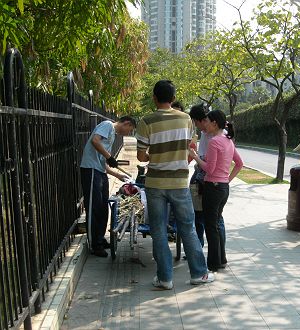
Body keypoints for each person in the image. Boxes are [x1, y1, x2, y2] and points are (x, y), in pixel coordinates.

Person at [136, 80, 214, 289]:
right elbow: (190, 147)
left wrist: (157, 153)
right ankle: (198, 273)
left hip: (155, 183)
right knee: (187, 227)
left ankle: (165, 278)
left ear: (154, 97)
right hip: (179, 182)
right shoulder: (186, 119)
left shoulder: (146, 121)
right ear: (172, 98)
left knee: (159, 229)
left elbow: (141, 157)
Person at [189, 110, 243, 271]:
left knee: (211, 227)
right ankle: (221, 260)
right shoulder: (228, 140)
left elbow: (209, 169)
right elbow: (239, 164)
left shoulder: (215, 142)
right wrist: (227, 180)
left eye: (207, 121)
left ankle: (213, 263)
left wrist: (195, 156)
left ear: (214, 123)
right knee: (216, 224)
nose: (205, 124)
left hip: (212, 188)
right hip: (223, 188)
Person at [80, 116, 136, 257]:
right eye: (130, 130)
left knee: (103, 207)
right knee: (94, 208)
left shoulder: (111, 135)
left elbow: (103, 161)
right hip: (91, 170)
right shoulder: (107, 126)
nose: (128, 134)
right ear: (126, 123)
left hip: (99, 171)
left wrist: (117, 175)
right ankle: (94, 245)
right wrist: (110, 157)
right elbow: (95, 141)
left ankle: (100, 239)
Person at [188, 104, 226, 247]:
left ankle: (218, 254)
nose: (197, 127)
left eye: (196, 122)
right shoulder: (205, 134)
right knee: (198, 213)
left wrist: (196, 158)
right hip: (203, 175)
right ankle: (198, 247)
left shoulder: (219, 137)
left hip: (211, 180)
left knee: (215, 218)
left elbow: (211, 165)